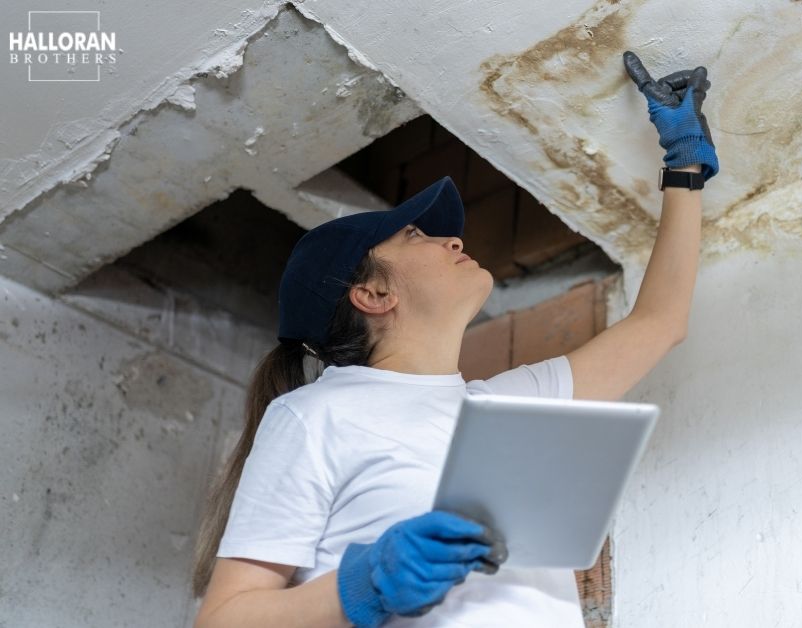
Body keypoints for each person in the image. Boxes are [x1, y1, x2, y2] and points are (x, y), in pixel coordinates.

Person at [190, 50, 719, 627]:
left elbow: (660, 323)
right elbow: (223, 620)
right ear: (372, 295)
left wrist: (683, 167)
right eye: (417, 234)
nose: (455, 243)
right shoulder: (314, 415)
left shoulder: (506, 410)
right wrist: (364, 584)